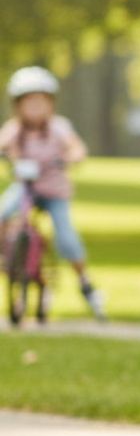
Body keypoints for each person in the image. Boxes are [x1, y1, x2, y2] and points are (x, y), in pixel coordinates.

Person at [0, 66, 105, 320]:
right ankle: (9, 259)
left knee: (66, 236)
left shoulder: (59, 127)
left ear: (51, 104)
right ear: (18, 106)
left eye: (41, 102)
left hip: (54, 191)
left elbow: (76, 148)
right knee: (2, 213)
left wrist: (72, 157)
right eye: (29, 102)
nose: (35, 108)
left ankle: (85, 283)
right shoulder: (14, 129)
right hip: (25, 189)